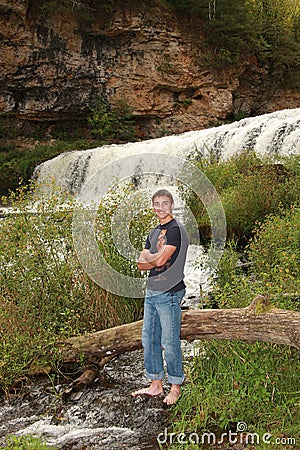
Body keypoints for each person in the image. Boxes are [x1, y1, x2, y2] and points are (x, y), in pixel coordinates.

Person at [131, 189, 189, 405]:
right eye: (157, 203)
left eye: (165, 203)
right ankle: (155, 384)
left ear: (172, 205)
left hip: (170, 291)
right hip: (152, 291)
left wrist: (149, 256)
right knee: (149, 339)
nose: (161, 207)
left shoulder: (176, 230)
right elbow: (140, 265)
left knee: (169, 341)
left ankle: (175, 386)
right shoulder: (154, 232)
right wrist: (151, 258)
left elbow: (158, 259)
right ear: (153, 206)